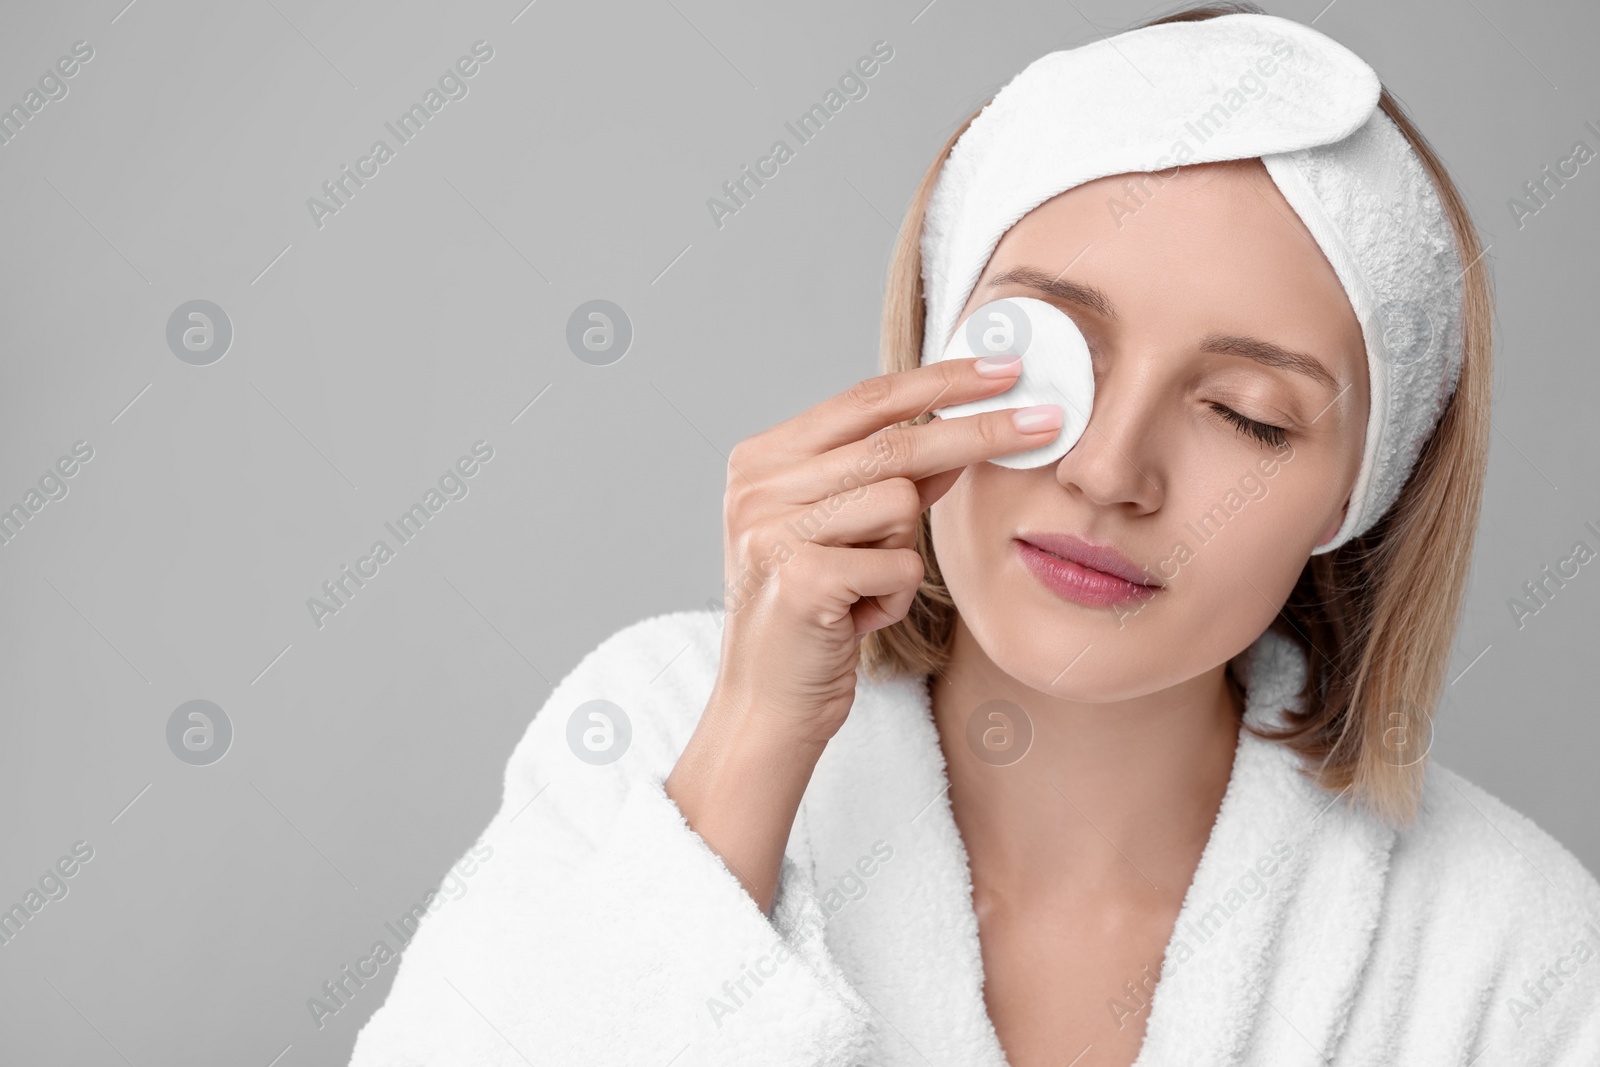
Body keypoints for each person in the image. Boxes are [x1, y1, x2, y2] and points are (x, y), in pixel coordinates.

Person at [346, 5, 1600, 1065]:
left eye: (1243, 414)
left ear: (1358, 492)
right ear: (938, 343)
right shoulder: (647, 736)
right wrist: (743, 757)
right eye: (1042, 346)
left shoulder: (1512, 950)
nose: (1110, 469)